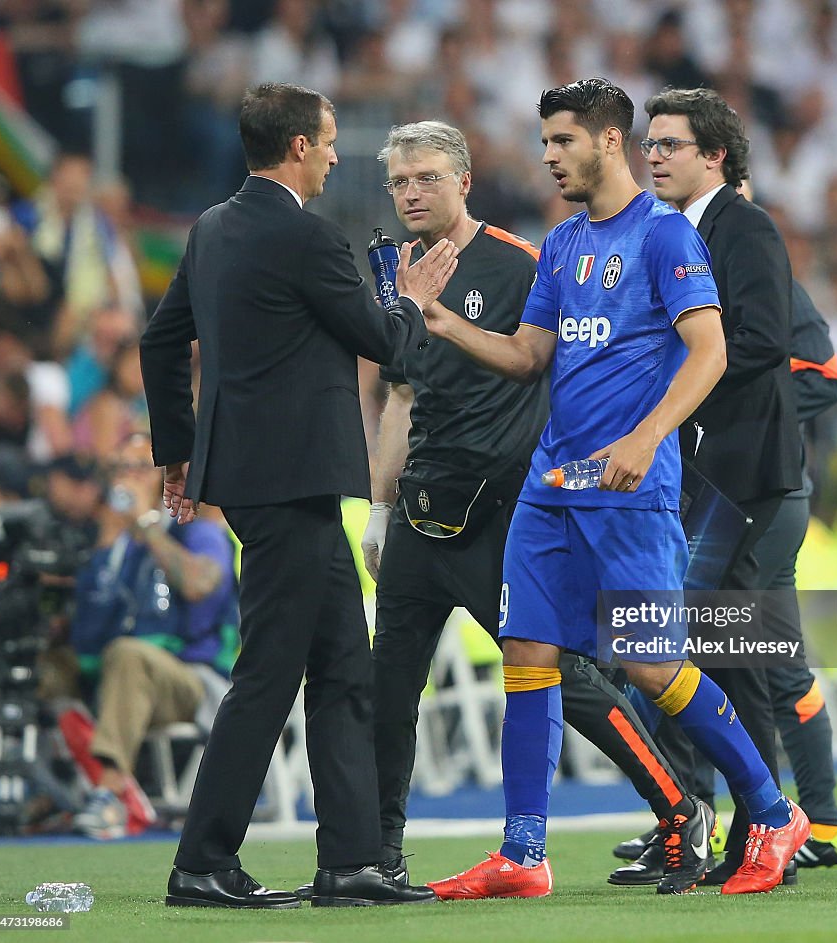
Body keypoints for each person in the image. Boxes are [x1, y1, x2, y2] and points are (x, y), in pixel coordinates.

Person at [307, 120, 721, 894]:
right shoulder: (395, 275)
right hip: (423, 508)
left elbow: (559, 370)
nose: (411, 193)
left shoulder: (523, 263)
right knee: (387, 687)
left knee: (567, 675)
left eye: (427, 177)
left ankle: (678, 804)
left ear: (464, 181)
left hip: (503, 507)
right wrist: (380, 507)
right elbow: (400, 393)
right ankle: (377, 856)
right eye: (399, 181)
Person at [422, 78, 809, 900]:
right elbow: (532, 355)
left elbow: (709, 351)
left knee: (649, 661)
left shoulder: (667, 237)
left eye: (563, 141)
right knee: (527, 653)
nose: (549, 157)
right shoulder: (561, 244)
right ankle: (523, 853)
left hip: (630, 487)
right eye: (545, 143)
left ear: (607, 140)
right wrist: (445, 323)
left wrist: (646, 436)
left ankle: (775, 811)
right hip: (551, 486)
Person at [139, 82, 458, 909]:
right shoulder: (308, 239)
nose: (335, 155)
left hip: (260, 481)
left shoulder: (211, 229)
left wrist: (177, 449)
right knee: (270, 671)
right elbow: (384, 338)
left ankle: (350, 860)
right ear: (298, 150)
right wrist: (416, 302)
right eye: (326, 141)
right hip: (296, 482)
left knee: (342, 664)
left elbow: (162, 338)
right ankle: (202, 861)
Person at [610, 280, 837, 881]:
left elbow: (822, 376)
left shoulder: (756, 269)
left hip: (757, 494)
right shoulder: (684, 263)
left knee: (694, 645)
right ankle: (808, 823)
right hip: (724, 492)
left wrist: (725, 413)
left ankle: (706, 819)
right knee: (753, 654)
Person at [639, 85, 805, 885]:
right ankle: (732, 818)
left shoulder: (745, 227)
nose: (653, 154)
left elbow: (765, 341)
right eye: (651, 142)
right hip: (700, 470)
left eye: (670, 143)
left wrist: (671, 396)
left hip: (739, 472)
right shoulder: (667, 233)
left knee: (728, 650)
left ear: (716, 156)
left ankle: (764, 823)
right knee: (704, 646)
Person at [69, 432, 238, 839]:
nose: (127, 479)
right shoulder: (113, 549)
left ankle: (110, 795)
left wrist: (147, 528)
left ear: (165, 477)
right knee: (49, 667)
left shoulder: (196, 530)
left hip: (193, 680)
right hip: (128, 680)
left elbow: (199, 584)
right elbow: (89, 635)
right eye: (119, 469)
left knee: (129, 655)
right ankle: (54, 790)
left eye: (139, 468)